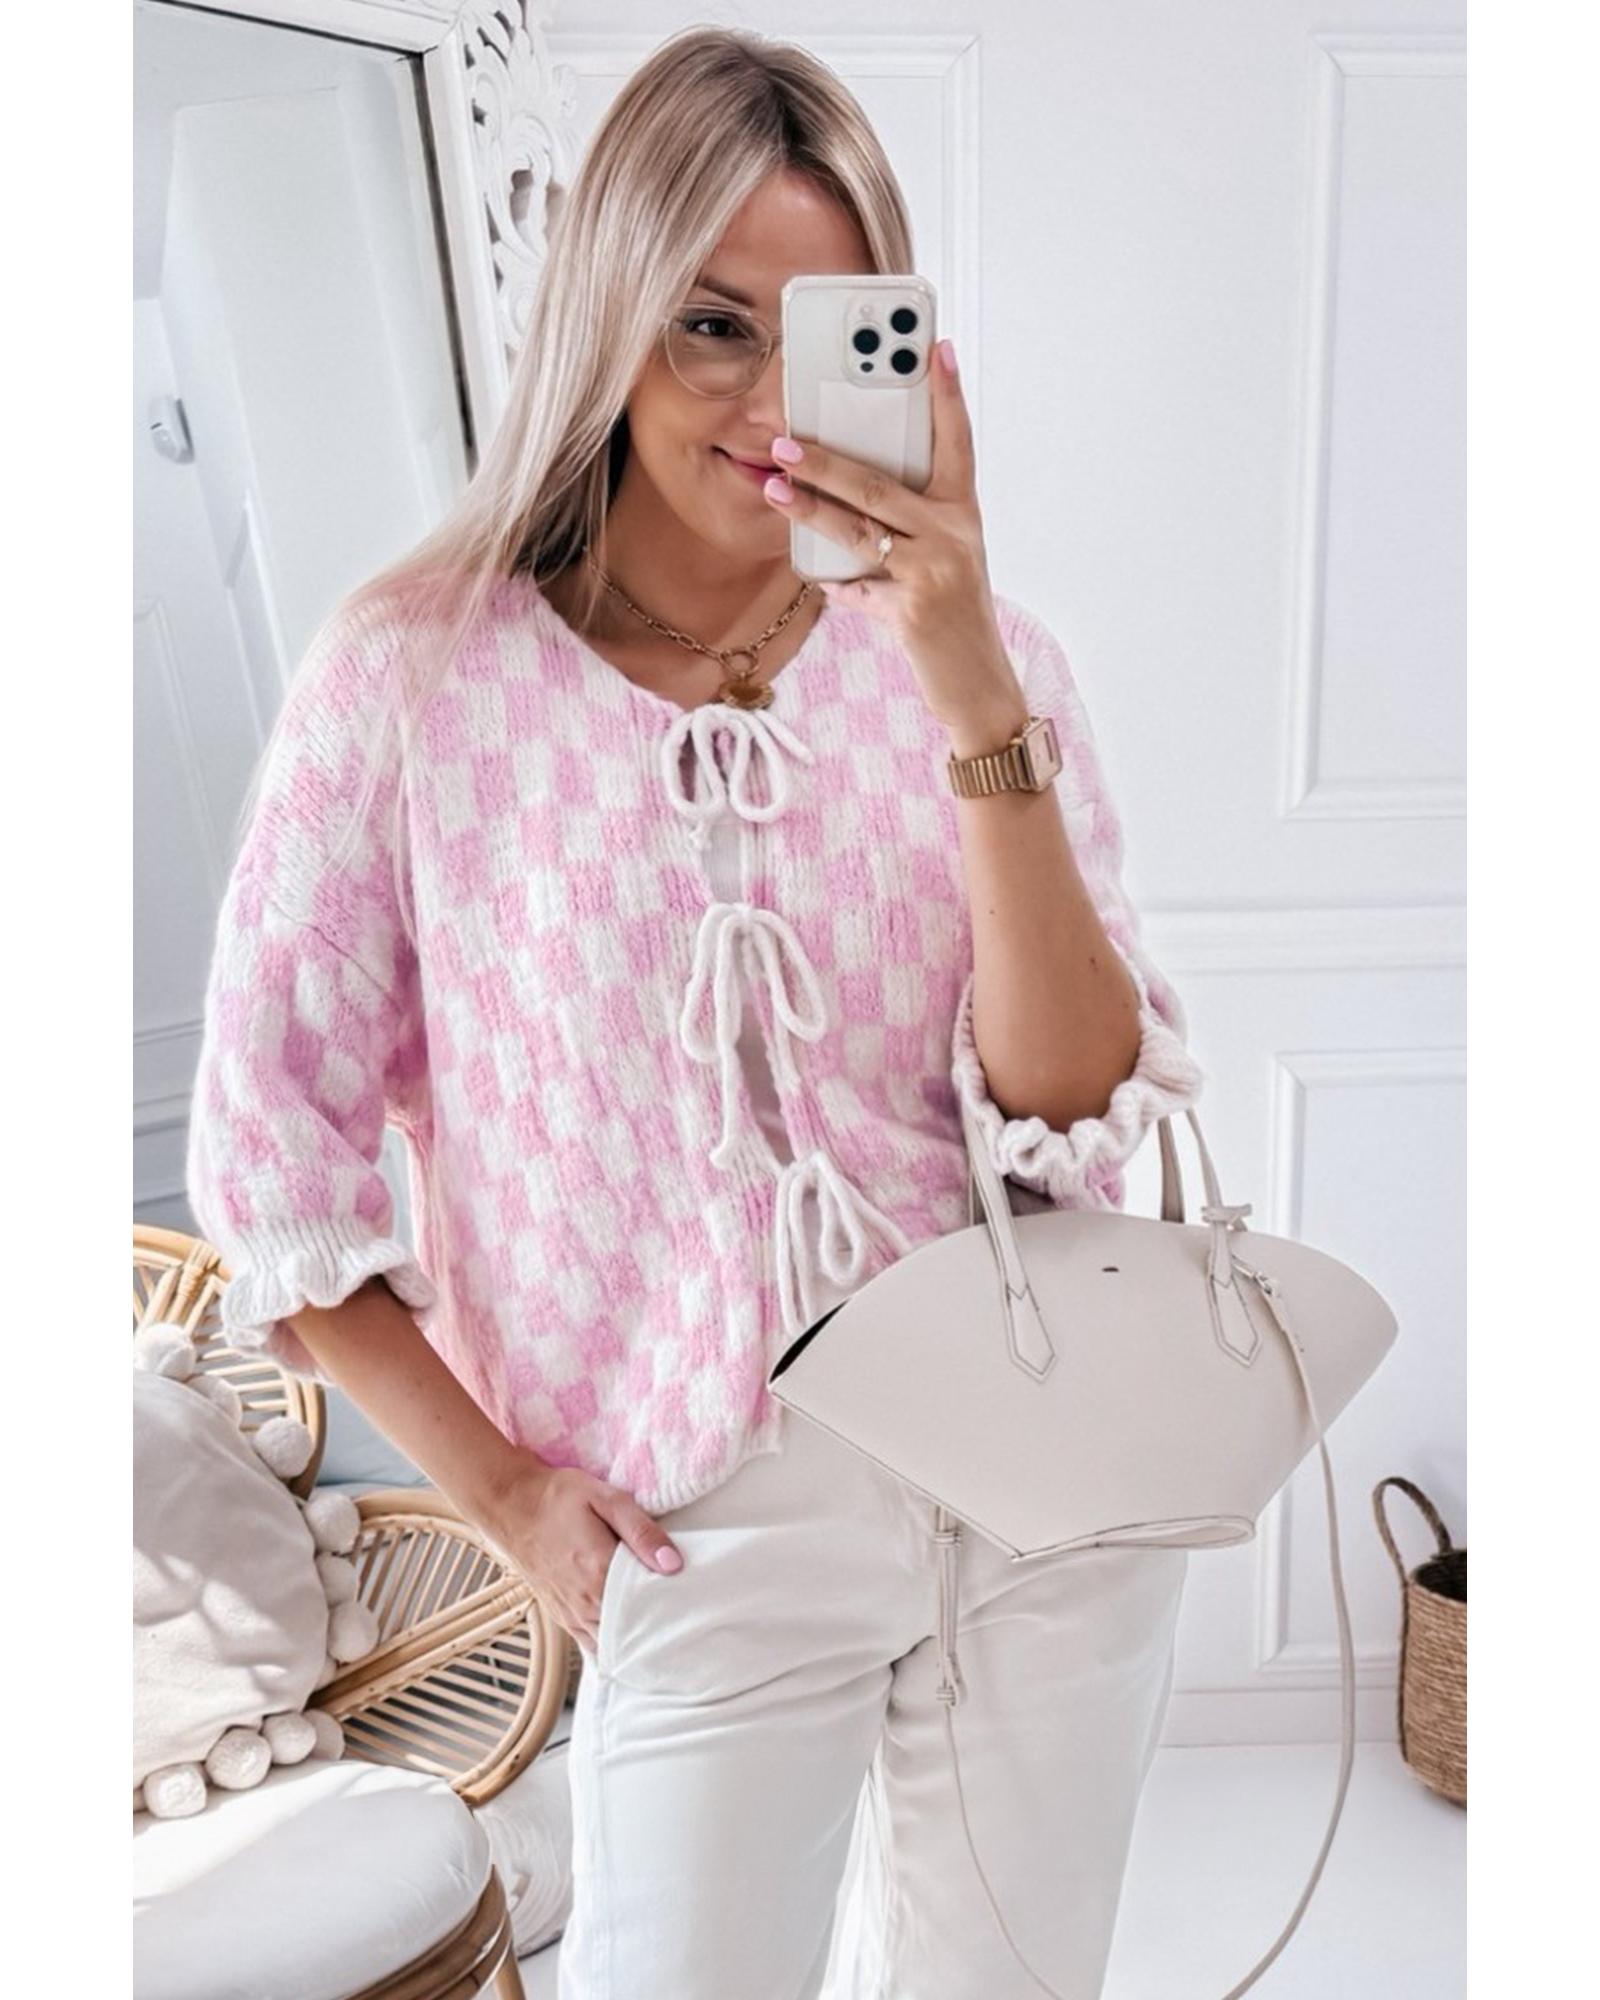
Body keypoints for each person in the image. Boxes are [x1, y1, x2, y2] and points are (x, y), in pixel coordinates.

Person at [184, 25, 1206, 1999]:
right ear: (611, 319)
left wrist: (963, 680)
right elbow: (271, 1159)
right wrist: (502, 1497)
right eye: (710, 325)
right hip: (696, 1516)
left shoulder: (992, 657)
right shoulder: (414, 681)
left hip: (1041, 1468)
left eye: (825, 335)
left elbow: (1072, 1094)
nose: (764, 401)